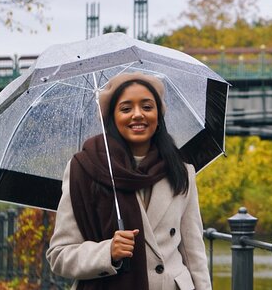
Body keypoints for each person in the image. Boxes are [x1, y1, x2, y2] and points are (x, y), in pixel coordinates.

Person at [47, 72, 211, 290]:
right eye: (126, 109)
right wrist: (108, 252)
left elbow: (194, 253)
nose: (137, 115)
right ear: (112, 117)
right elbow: (59, 255)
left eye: (147, 107)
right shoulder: (85, 168)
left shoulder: (180, 170)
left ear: (158, 115)